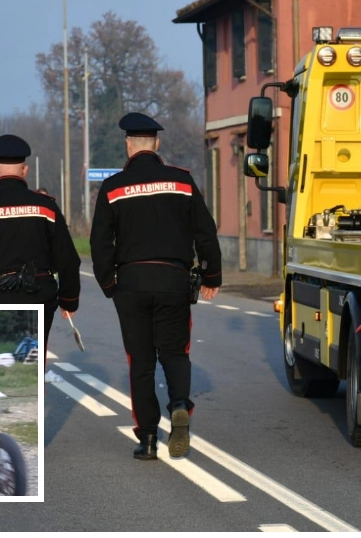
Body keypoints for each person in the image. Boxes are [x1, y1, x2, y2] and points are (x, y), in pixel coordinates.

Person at [90, 112, 222, 460]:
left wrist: (108, 283)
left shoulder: (113, 187)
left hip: (131, 282)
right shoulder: (182, 181)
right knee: (175, 352)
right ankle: (179, 403)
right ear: (157, 144)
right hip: (173, 279)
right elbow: (205, 232)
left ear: (128, 145)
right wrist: (212, 276)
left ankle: (147, 438)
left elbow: (100, 242)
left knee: (141, 361)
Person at [0, 134, 81, 385]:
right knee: (36, 363)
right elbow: (67, 258)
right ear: (25, 169)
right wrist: (69, 299)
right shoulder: (46, 207)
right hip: (39, 295)